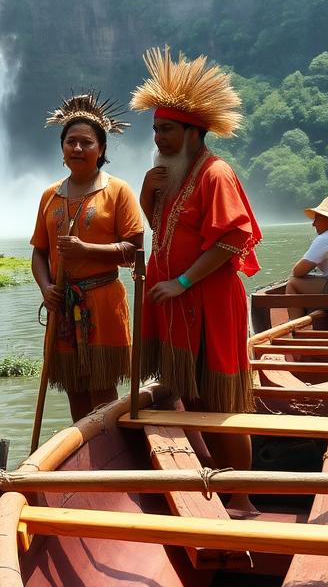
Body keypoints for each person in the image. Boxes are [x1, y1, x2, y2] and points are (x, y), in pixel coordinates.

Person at [131, 47, 261, 510]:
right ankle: (213, 474)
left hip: (207, 303)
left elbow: (231, 240)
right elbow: (164, 233)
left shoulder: (216, 173)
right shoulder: (171, 175)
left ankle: (243, 499)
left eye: (166, 128)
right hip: (177, 304)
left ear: (193, 131)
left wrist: (182, 282)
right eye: (155, 129)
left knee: (220, 400)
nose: (158, 137)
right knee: (188, 392)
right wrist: (148, 198)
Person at [31, 93, 144, 422]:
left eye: (86, 142)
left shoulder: (118, 190)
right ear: (62, 148)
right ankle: (84, 463)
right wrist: (45, 287)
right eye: (70, 142)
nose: (77, 149)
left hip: (103, 302)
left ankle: (107, 462)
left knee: (103, 394)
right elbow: (39, 252)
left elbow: (135, 251)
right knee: (75, 393)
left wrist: (86, 250)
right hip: (62, 305)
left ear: (102, 150)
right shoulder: (49, 195)